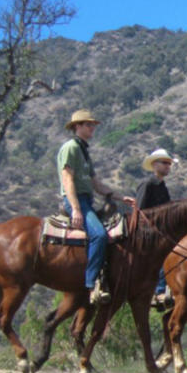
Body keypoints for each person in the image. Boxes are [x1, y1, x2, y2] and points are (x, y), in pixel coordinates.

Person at [57, 110, 135, 305]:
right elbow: (67, 179)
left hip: (87, 199)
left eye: (93, 125)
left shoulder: (83, 151)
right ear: (77, 127)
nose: (92, 128)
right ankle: (92, 284)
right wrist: (75, 208)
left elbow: (96, 183)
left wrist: (119, 196)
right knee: (99, 235)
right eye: (88, 125)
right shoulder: (71, 148)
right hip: (77, 200)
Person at [136, 148, 178, 307]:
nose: (168, 166)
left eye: (169, 164)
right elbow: (140, 211)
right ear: (154, 165)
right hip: (147, 232)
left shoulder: (162, 186)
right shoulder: (147, 184)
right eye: (165, 163)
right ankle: (160, 290)